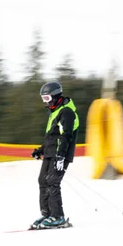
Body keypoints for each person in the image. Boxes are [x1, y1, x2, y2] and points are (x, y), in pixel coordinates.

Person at [29, 81, 80, 229]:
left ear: (56, 95)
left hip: (60, 154)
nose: (46, 102)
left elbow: (66, 135)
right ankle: (47, 214)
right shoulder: (55, 113)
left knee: (52, 181)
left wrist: (61, 156)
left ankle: (58, 217)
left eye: (47, 98)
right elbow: (51, 137)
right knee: (43, 181)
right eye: (43, 99)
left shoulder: (67, 112)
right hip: (51, 153)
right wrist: (41, 150)